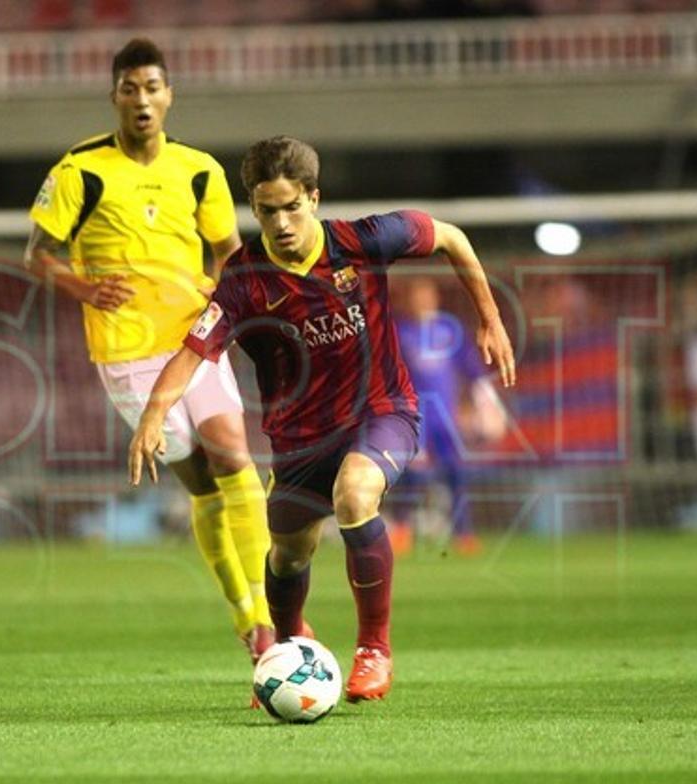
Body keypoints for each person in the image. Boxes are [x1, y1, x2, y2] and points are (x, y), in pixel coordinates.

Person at [128, 136, 515, 702]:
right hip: (300, 437)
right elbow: (194, 351)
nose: (281, 223)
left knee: (355, 496)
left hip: (382, 411)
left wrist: (490, 318)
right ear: (253, 209)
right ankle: (288, 651)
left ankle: (374, 651)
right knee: (288, 553)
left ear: (313, 197)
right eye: (266, 211)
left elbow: (452, 237)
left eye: (291, 207)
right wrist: (155, 413)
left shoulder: (363, 239)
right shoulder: (244, 278)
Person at [24, 38, 275, 662]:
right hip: (126, 352)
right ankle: (242, 612)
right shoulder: (79, 170)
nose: (142, 99)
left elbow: (228, 254)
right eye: (130, 88)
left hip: (194, 337)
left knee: (235, 458)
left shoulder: (199, 169)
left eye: (153, 87)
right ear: (115, 96)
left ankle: (271, 621)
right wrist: (83, 286)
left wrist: (233, 304)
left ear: (170, 95)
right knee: (202, 486)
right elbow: (36, 256)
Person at [391, 277, 509, 555]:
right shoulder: (399, 330)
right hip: (414, 415)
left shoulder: (449, 329)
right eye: (416, 296)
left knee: (455, 471)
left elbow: (472, 369)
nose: (421, 302)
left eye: (425, 295)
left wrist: (486, 403)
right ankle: (401, 529)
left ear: (434, 298)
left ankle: (464, 532)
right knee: (412, 473)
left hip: (445, 414)